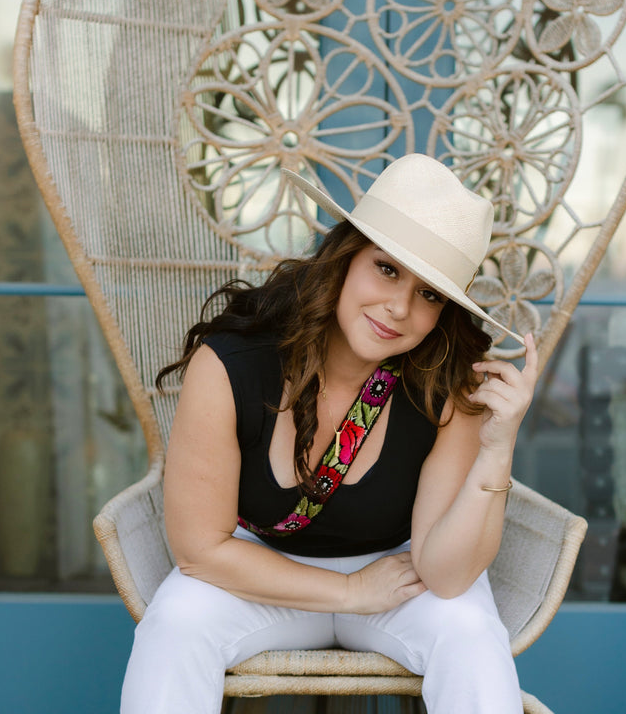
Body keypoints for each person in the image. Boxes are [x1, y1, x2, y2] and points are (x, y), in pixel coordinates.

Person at [121, 153, 538, 713]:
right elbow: (200, 551)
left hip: (400, 580)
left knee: (467, 631)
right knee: (174, 624)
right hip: (257, 574)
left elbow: (445, 575)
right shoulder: (231, 364)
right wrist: (348, 592)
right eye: (386, 268)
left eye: (430, 293)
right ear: (345, 258)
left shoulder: (446, 387)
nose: (399, 307)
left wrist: (497, 448)